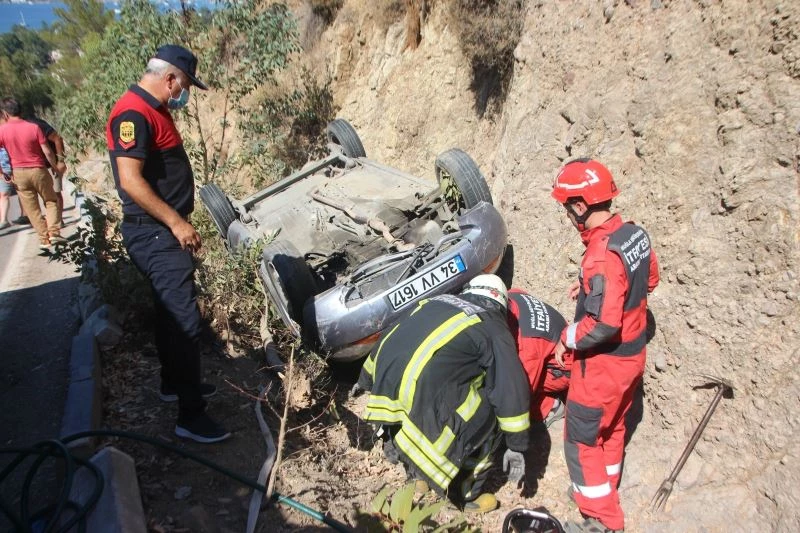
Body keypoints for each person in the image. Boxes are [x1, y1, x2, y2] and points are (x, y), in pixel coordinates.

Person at [106, 44, 229, 444]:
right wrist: (176, 222)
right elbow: (130, 180)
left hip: (159, 229)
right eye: (186, 84)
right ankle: (190, 417)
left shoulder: (151, 109)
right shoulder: (133, 112)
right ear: (171, 78)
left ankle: (173, 384)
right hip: (156, 232)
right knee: (184, 322)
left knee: (167, 314)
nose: (185, 93)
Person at [355, 274, 531, 513]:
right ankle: (468, 495)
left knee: (426, 394)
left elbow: (391, 334)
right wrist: (516, 443)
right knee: (490, 417)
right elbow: (510, 387)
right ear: (501, 304)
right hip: (423, 401)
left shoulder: (436, 301)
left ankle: (417, 475)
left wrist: (365, 378)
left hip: (388, 394)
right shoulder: (493, 326)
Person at [550, 159, 660, 533]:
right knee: (611, 430)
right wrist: (592, 290)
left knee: (581, 439)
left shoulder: (600, 254)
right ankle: (602, 491)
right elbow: (649, 280)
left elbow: (604, 323)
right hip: (632, 358)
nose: (567, 215)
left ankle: (604, 520)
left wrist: (566, 337)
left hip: (602, 366)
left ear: (579, 206)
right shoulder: (633, 235)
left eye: (567, 208)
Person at [0, 98, 64, 248]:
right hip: (38, 170)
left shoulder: (2, 130)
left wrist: (2, 172)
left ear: (5, 113)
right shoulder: (33, 127)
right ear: (20, 110)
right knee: (51, 200)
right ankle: (54, 233)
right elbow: (47, 151)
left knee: (31, 208)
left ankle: (44, 239)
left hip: (18, 174)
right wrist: (55, 166)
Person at [506, 288, 573, 428]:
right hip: (560, 343)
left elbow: (521, 393)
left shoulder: (528, 347)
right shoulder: (512, 295)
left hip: (564, 369)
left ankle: (549, 407)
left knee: (512, 385)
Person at [26, 116, 68, 224]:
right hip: (37, 167)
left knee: (56, 193)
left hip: (51, 164)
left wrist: (60, 161)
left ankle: (58, 221)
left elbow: (57, 138)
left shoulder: (36, 124)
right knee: (47, 197)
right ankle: (55, 220)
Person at [0, 147, 13, 230]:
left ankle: (26, 215)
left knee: (22, 192)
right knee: (4, 194)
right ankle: (4, 220)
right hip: (4, 170)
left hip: (18, 167)